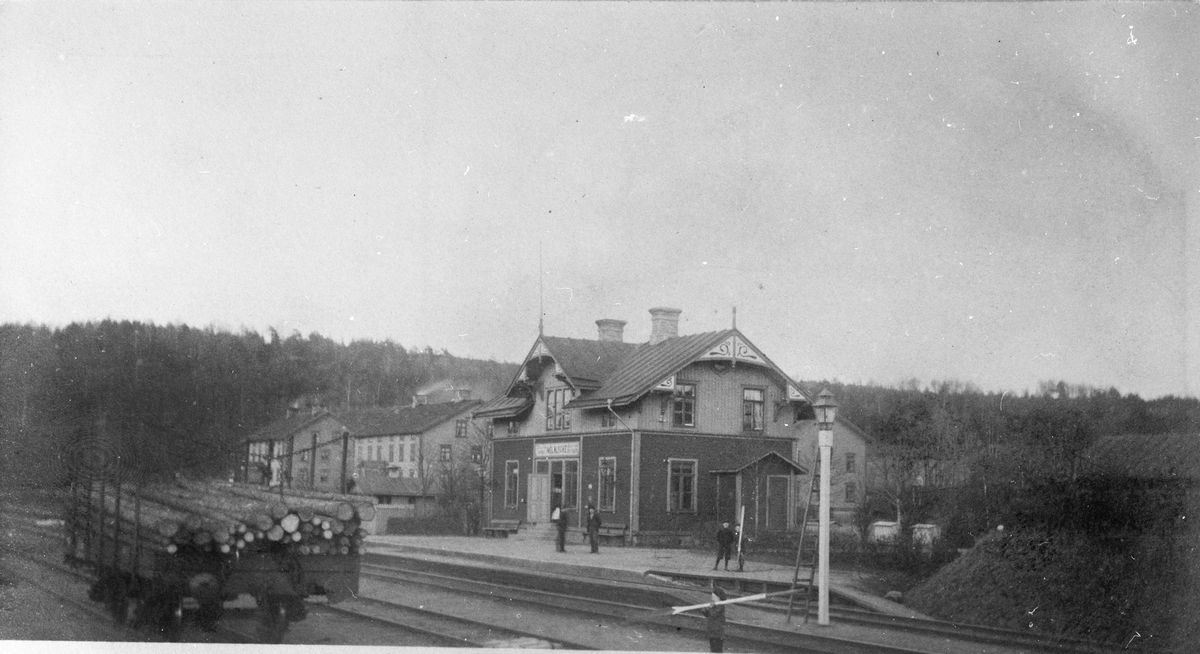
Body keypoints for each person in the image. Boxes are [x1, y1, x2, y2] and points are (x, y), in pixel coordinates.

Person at [700, 586, 727, 653]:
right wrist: (704, 610)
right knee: (713, 648)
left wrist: (709, 608)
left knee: (717, 649)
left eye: (713, 597)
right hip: (712, 631)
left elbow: (713, 614)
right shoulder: (714, 605)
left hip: (717, 633)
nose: (712, 598)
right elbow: (707, 615)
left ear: (718, 597)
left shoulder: (720, 606)